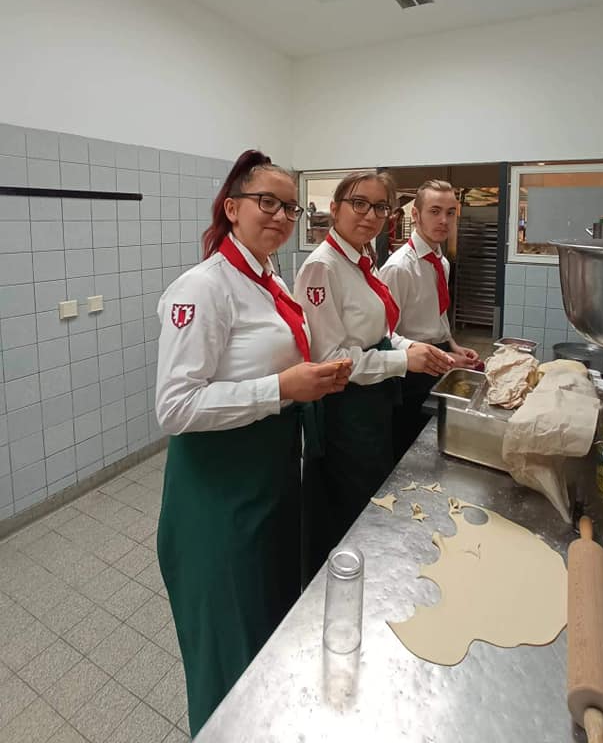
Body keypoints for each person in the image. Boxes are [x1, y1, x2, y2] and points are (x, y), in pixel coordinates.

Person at [155, 150, 351, 737]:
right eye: (267, 202)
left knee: (267, 631)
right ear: (232, 207)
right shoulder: (204, 288)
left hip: (268, 485)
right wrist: (281, 388)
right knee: (228, 655)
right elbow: (174, 407)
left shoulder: (269, 281)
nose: (281, 215)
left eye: (290, 207)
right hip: (218, 499)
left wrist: (311, 380)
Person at [295, 170, 453, 581]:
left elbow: (380, 334)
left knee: (371, 501)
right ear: (334, 209)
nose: (370, 215)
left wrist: (412, 348)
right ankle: (336, 587)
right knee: (347, 510)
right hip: (344, 409)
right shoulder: (322, 267)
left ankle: (369, 577)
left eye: (380, 207)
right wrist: (402, 361)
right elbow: (330, 359)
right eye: (359, 203)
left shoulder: (363, 260)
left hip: (373, 400)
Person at [380, 180, 481, 462]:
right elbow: (385, 335)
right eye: (435, 211)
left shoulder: (441, 262)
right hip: (410, 372)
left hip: (438, 358)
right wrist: (442, 358)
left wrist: (452, 345)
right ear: (415, 214)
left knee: (435, 441)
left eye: (450, 213)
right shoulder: (399, 268)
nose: (444, 220)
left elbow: (437, 314)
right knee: (410, 449)